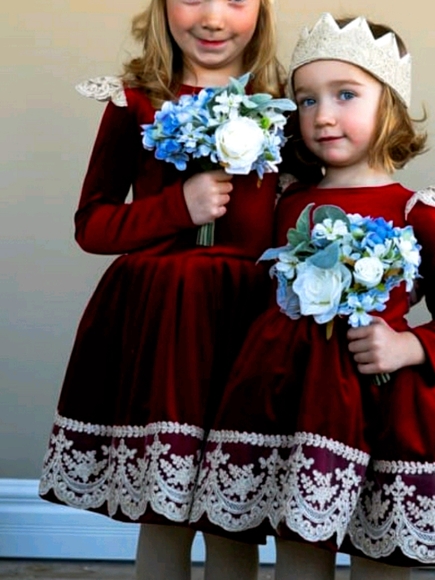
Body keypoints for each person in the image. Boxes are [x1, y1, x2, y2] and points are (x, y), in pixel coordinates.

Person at [190, 12, 435, 580]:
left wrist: (409, 347)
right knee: (298, 542)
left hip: (380, 406)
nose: (323, 115)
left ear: (391, 106)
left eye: (346, 94)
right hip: (286, 401)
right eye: (306, 100)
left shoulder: (415, 211)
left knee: (378, 550)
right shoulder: (286, 201)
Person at [38, 0, 285, 579]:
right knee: (162, 507)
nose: (213, 18)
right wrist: (178, 206)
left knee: (233, 506)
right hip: (164, 329)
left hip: (244, 325)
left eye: (236, 1)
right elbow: (93, 225)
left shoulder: (283, 105)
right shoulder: (135, 101)